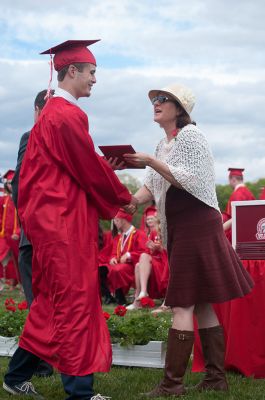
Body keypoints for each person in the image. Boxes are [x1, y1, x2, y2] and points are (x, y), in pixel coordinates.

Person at [3, 40, 136, 400]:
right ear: (72, 71)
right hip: (62, 224)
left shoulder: (50, 114)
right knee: (75, 302)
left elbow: (73, 169)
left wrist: (101, 173)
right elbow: (87, 169)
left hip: (52, 224)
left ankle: (16, 376)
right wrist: (125, 199)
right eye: (91, 72)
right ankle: (80, 392)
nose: (95, 79)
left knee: (49, 304)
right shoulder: (65, 114)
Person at [124, 83, 254, 397]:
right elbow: (153, 187)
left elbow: (189, 180)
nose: (155, 102)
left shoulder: (191, 136)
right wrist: (129, 201)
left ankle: (172, 384)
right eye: (154, 99)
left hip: (197, 222)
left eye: (163, 99)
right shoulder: (161, 144)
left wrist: (151, 163)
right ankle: (215, 378)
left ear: (180, 109)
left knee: (182, 302)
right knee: (203, 303)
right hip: (184, 225)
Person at [11, 90, 55, 378]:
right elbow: (21, 185)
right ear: (39, 110)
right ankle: (32, 365)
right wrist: (34, 222)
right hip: (36, 234)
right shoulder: (31, 136)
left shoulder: (59, 138)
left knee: (50, 302)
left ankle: (43, 360)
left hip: (54, 235)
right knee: (38, 302)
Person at [99, 209, 148, 305]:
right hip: (120, 265)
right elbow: (113, 253)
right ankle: (108, 296)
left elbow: (145, 252)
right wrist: (112, 258)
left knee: (117, 270)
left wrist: (130, 255)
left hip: (133, 265)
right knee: (100, 269)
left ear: (123, 220)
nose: (115, 223)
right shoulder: (118, 237)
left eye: (116, 220)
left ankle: (120, 298)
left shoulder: (139, 234)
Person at [126, 206, 169, 310]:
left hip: (165, 262)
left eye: (153, 218)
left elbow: (170, 250)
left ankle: (143, 292)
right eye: (148, 218)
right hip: (156, 260)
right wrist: (152, 248)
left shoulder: (167, 230)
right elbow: (150, 252)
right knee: (138, 265)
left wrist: (159, 248)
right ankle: (139, 297)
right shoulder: (154, 232)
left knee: (143, 257)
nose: (151, 219)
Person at [0, 170, 20, 290]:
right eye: (8, 183)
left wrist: (18, 232)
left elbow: (23, 219)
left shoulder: (21, 199)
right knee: (1, 257)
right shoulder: (4, 200)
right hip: (3, 235)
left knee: (19, 261)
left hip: (17, 237)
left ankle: (22, 285)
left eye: (12, 183)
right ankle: (1, 284)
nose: (10, 185)